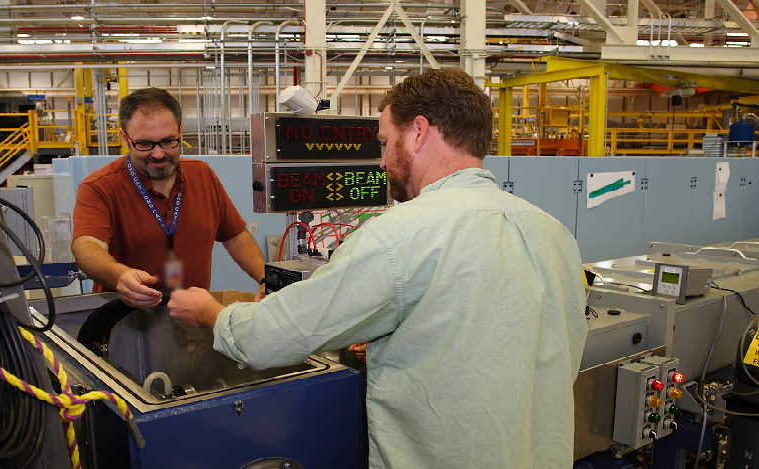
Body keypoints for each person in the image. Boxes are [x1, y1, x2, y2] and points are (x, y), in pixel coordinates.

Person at [168, 69, 588, 468]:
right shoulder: (554, 234)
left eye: (385, 142)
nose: (382, 162)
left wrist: (209, 312)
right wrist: (401, 339)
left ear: (419, 132)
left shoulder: (400, 235)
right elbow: (496, 331)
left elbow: (275, 335)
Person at [72, 87, 266, 308]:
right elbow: (86, 245)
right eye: (144, 144)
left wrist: (265, 278)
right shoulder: (99, 186)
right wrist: (119, 275)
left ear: (180, 132)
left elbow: (235, 235)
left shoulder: (203, 175)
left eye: (167, 141)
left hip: (192, 319)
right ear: (125, 138)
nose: (158, 153)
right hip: (126, 321)